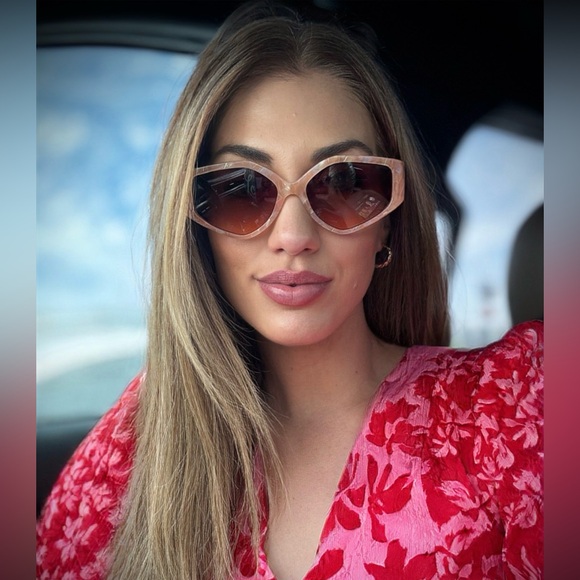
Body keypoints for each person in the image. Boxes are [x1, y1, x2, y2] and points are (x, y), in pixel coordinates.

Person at [36, 1, 543, 579]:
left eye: (344, 183)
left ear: (387, 223)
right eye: (242, 189)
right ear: (197, 227)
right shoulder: (132, 450)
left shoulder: (516, 408)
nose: (294, 236)